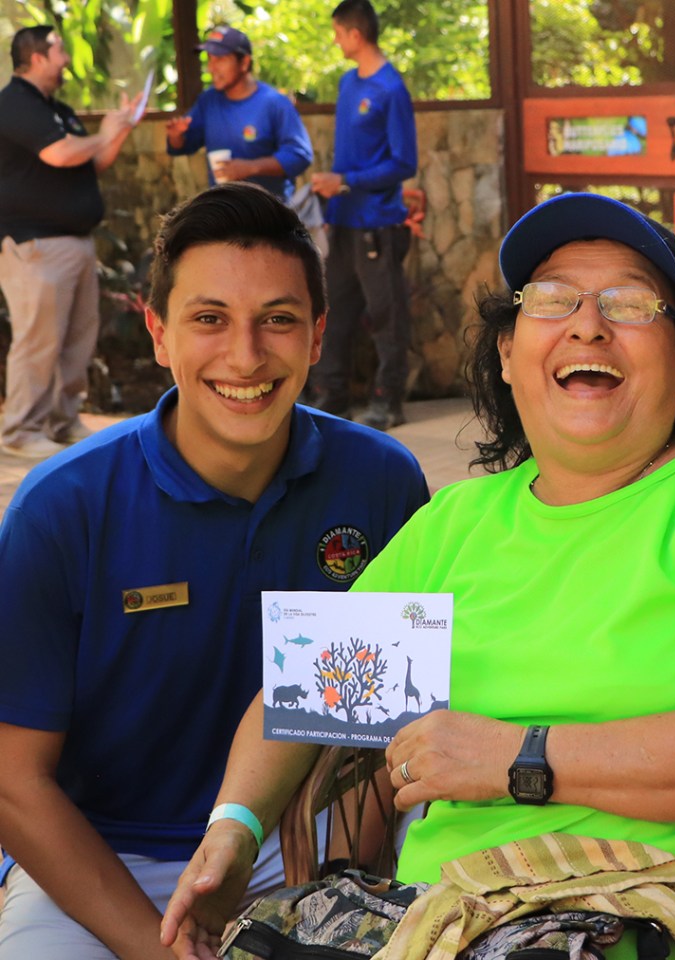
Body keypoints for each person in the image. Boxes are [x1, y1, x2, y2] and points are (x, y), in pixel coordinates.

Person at [161, 192, 675, 960]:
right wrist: (234, 829)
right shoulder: (461, 523)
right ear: (505, 352)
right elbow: (301, 697)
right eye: (553, 299)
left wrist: (515, 759)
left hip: (662, 929)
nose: (587, 324)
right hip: (443, 927)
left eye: (629, 302)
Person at [0, 182, 429, 959]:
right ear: (159, 332)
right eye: (209, 320)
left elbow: (384, 718)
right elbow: (14, 782)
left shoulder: (382, 482)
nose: (245, 355)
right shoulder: (60, 508)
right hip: (107, 857)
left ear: (318, 334)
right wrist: (153, 946)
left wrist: (336, 880)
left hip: (307, 840)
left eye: (278, 321)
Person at [0, 26, 141, 459]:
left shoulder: (57, 110)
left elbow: (90, 162)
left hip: (75, 242)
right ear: (36, 57)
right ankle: (21, 431)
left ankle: (63, 422)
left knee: (78, 338)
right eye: (59, 50)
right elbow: (59, 154)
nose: (66, 58)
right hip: (36, 244)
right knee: (38, 340)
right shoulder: (14, 104)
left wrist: (119, 128)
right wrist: (105, 130)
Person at [307, 0, 418, 431]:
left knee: (387, 314)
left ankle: (388, 401)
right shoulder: (348, 83)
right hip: (345, 222)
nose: (334, 40)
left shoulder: (391, 89)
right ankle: (330, 395)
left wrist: (346, 180)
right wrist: (334, 196)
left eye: (337, 32)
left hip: (378, 224)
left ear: (355, 34)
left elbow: (404, 163)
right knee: (332, 310)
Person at [166, 26, 313, 202]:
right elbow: (183, 145)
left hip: (269, 215)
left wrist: (250, 168)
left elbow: (299, 156)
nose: (211, 68)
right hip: (225, 212)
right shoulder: (208, 101)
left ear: (244, 62)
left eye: (220, 59)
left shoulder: (274, 103)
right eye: (209, 59)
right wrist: (176, 136)